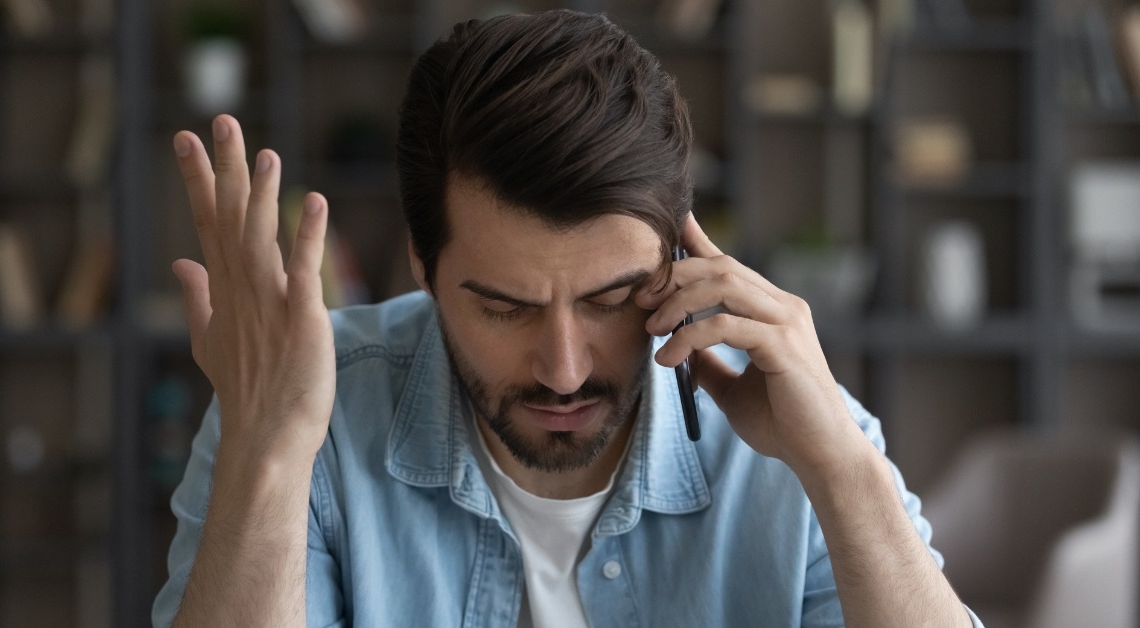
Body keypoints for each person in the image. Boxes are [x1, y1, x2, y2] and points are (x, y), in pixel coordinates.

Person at [153, 10, 983, 628]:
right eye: (504, 307)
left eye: (610, 299)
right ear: (422, 263)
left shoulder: (797, 439)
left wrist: (844, 472)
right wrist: (267, 453)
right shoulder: (303, 413)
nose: (564, 367)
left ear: (682, 259)